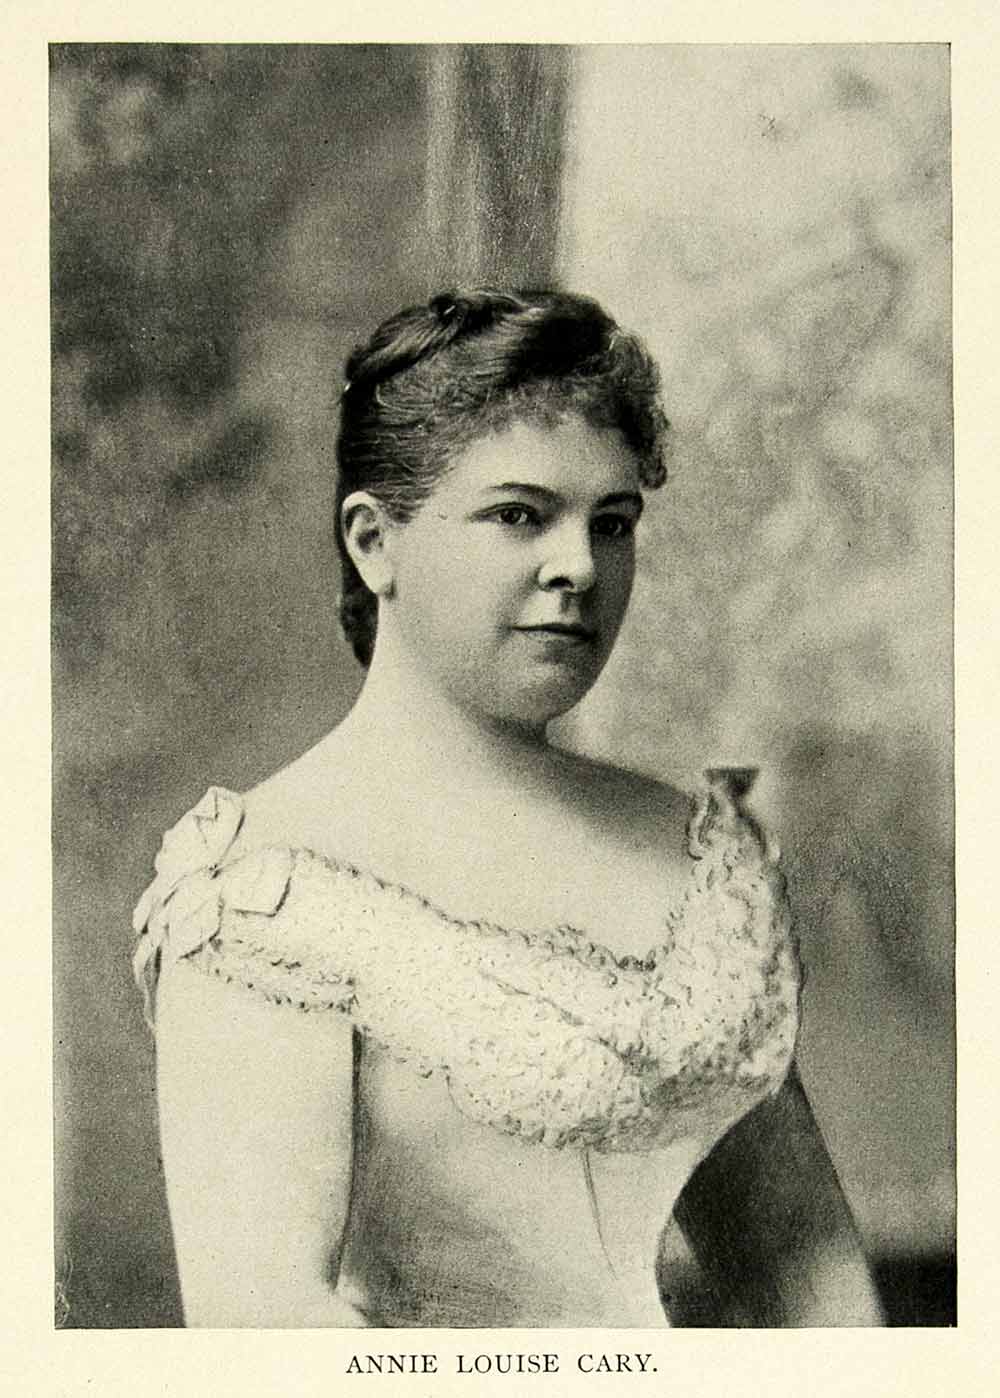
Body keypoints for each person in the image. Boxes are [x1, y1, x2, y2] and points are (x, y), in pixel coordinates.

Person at [132, 288, 884, 1328]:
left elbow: (816, 1288)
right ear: (373, 543)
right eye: (519, 515)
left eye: (611, 523)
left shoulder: (695, 853)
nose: (579, 566)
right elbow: (263, 1323)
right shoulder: (256, 891)